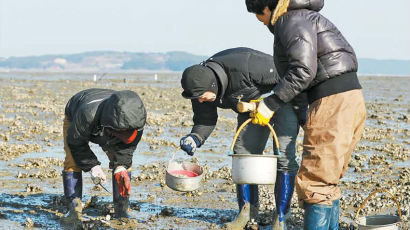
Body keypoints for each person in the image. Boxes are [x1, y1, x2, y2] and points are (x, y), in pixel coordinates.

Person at [245, 0, 366, 229]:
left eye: (257, 15)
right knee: (328, 180)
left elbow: (303, 71)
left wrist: (271, 103)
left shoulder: (290, 19)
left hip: (331, 100)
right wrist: (304, 116)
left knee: (315, 183)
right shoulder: (305, 16)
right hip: (350, 97)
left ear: (267, 8)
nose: (260, 22)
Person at [179, 47, 307, 229]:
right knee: (243, 155)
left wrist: (301, 113)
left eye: (202, 97)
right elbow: (205, 119)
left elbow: (292, 78)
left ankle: (280, 218)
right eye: (196, 98)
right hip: (249, 106)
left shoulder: (248, 65)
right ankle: (247, 215)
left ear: (212, 85)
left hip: (283, 100)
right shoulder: (198, 88)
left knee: (285, 158)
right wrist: (195, 137)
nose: (200, 101)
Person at [62, 88, 146, 226]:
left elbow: (127, 148)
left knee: (124, 164)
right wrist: (92, 165)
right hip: (77, 115)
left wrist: (120, 166)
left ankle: (121, 210)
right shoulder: (86, 114)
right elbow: (75, 142)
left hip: (117, 120)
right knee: (72, 161)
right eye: (121, 133)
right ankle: (74, 210)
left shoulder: (137, 118)